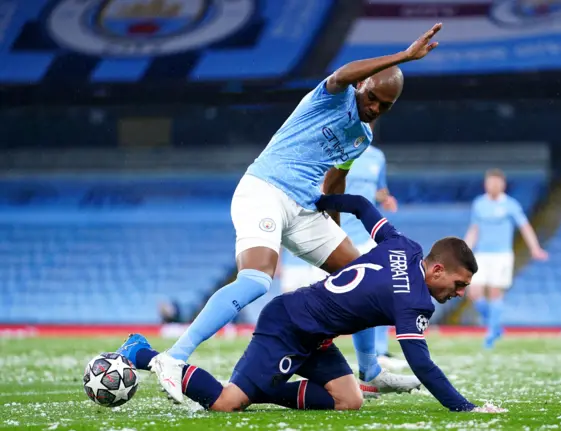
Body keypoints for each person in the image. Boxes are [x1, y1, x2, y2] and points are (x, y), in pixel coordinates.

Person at [150, 23, 446, 401]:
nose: (374, 109)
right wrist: (405, 56)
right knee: (257, 280)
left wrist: (334, 231)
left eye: (384, 106)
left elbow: (334, 183)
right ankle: (174, 357)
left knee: (365, 278)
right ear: (363, 85)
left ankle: (371, 370)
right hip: (265, 190)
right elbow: (343, 72)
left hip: (306, 208)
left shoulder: (363, 136)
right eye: (372, 98)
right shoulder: (333, 97)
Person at [116, 193, 505, 413]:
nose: (460, 293)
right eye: (459, 283)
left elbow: (362, 207)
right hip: (288, 326)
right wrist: (465, 408)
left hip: (314, 334)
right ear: (437, 270)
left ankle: (264, 387)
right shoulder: (416, 301)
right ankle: (144, 353)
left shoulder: (404, 245)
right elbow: (421, 363)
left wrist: (322, 201)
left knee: (349, 401)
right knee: (226, 404)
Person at [280, 143, 407, 371]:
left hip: (366, 236)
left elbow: (379, 190)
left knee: (379, 293)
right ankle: (299, 349)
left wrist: (385, 199)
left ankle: (379, 352)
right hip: (332, 236)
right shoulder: (331, 149)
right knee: (317, 297)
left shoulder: (378, 156)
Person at [463, 169, 548, 348]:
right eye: (489, 182)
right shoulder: (479, 204)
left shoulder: (511, 205)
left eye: (496, 182)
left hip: (502, 255)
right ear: (485, 184)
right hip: (481, 254)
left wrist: (535, 248)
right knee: (474, 292)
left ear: (502, 184)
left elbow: (524, 226)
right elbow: (474, 229)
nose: (492, 185)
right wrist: (464, 250)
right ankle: (493, 324)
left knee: (495, 292)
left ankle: (491, 335)